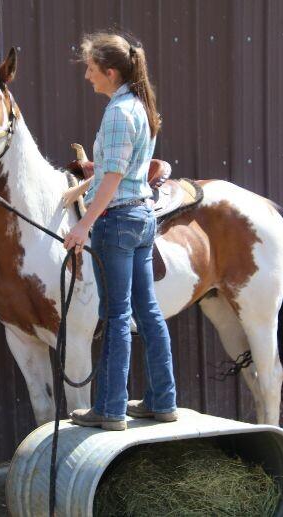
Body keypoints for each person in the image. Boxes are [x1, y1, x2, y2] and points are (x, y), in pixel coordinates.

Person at [63, 31, 177, 431]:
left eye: (91, 69)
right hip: (142, 217)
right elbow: (123, 172)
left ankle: (111, 409)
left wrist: (83, 224)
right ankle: (163, 401)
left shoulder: (117, 112)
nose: (88, 76)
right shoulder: (140, 106)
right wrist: (83, 186)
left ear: (110, 72)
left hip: (118, 222)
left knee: (115, 316)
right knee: (147, 311)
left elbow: (113, 177)